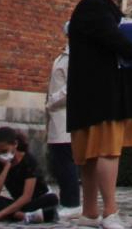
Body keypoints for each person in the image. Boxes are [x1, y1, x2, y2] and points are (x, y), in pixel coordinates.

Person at [67, 0, 132, 229]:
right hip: (102, 93)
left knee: (92, 154)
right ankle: (110, 211)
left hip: (91, 92)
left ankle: (90, 212)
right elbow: (112, 37)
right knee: (106, 150)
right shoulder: (95, 6)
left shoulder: (100, 7)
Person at [0, 125, 62, 223]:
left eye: (4, 151)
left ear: (15, 144)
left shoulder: (28, 161)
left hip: (35, 201)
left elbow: (27, 197)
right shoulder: (0, 164)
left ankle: (11, 214)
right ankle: (24, 216)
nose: (2, 155)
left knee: (52, 199)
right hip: (18, 203)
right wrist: (6, 167)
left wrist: (0, 213)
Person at [47, 23, 82, 217]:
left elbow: (72, 87)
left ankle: (72, 202)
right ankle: (67, 200)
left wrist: (52, 101)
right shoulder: (65, 55)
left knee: (65, 160)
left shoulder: (75, 56)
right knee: (59, 160)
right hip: (58, 115)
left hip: (65, 114)